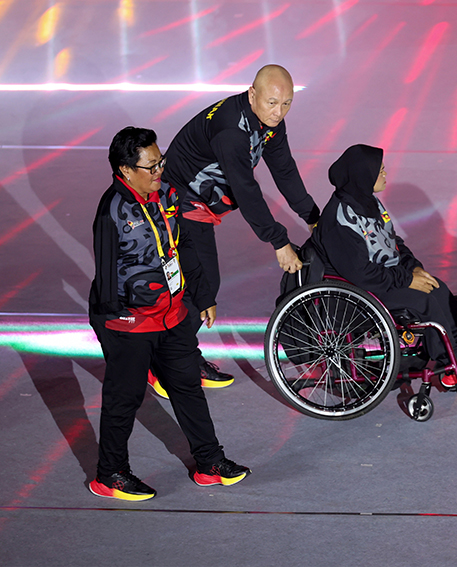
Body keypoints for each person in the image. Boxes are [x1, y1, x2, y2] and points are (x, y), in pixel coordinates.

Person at [88, 126, 250, 501]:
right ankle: (110, 475)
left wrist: (202, 295)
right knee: (124, 400)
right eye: (151, 166)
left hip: (173, 315)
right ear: (126, 170)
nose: (160, 170)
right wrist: (116, 329)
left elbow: (186, 245)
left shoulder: (167, 196)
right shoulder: (112, 210)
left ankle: (210, 463)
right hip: (130, 324)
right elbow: (106, 276)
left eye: (160, 161)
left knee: (188, 388)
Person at [158, 64, 320, 393]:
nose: (279, 112)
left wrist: (313, 216)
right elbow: (246, 190)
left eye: (286, 103)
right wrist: (279, 241)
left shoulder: (270, 121)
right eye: (272, 103)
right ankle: (168, 366)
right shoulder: (231, 131)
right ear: (252, 94)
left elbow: (284, 170)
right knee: (202, 285)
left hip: (199, 205)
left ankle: (174, 356)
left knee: (197, 284)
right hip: (180, 204)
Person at [309, 144, 457, 389]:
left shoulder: (369, 203)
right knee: (424, 300)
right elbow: (360, 273)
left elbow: (394, 242)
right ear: (363, 175)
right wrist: (407, 280)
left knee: (437, 288)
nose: (385, 174)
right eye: (380, 170)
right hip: (358, 292)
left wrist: (414, 268)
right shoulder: (340, 219)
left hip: (383, 278)